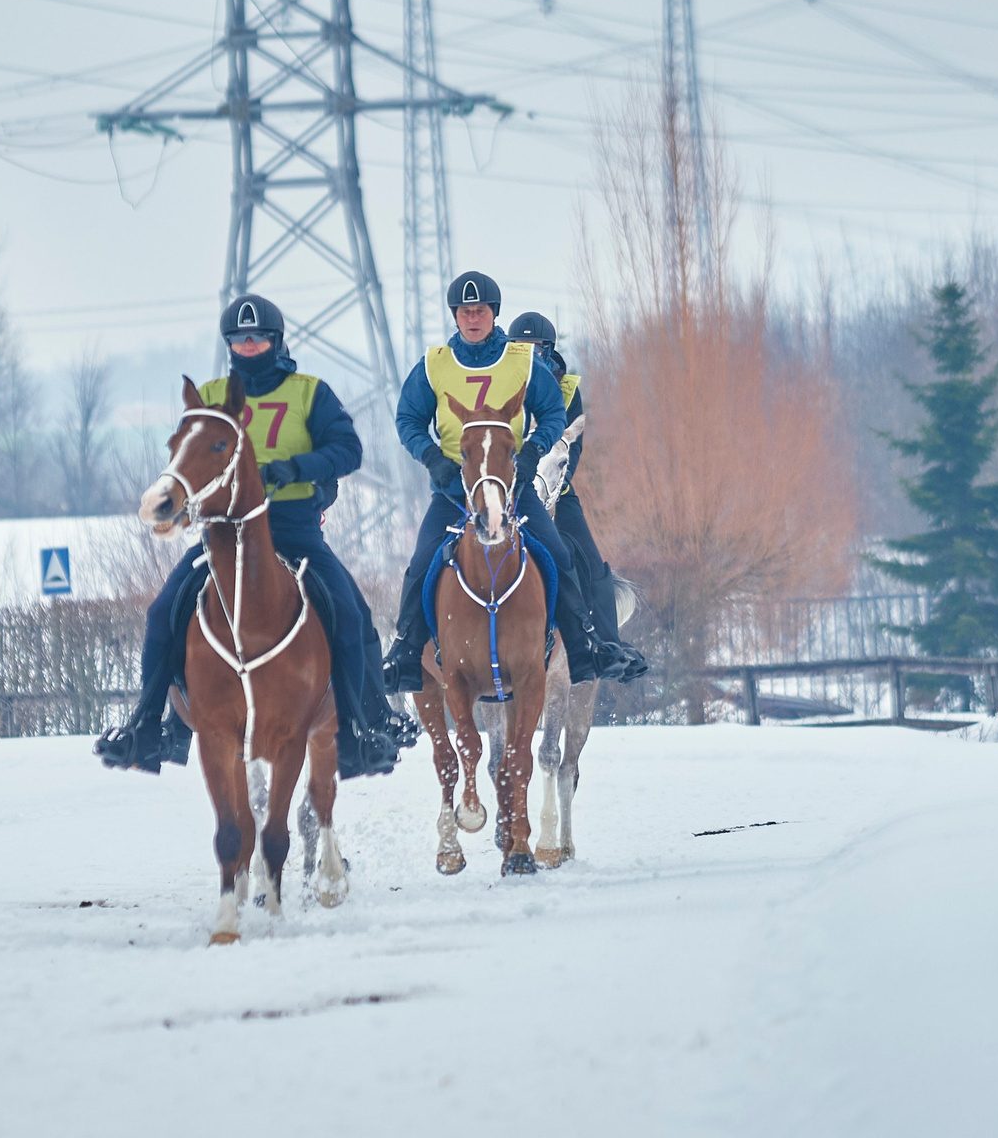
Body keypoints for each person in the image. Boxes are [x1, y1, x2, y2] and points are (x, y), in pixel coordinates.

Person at [95, 295, 405, 780]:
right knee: (163, 612)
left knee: (350, 611)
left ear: (276, 342)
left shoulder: (309, 393)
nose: (249, 345)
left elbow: (348, 450)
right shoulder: (213, 395)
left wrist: (294, 468)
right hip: (222, 537)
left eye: (258, 337)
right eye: (239, 339)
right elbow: (189, 459)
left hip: (294, 530)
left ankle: (366, 726)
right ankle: (150, 725)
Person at [380, 271, 617, 693]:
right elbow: (407, 419)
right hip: (454, 494)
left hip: (513, 492)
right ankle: (403, 654)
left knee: (557, 554)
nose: (473, 318)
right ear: (455, 316)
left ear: (494, 314)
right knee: (420, 563)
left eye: (481, 311)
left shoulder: (521, 361)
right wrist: (431, 456)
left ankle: (582, 648)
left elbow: (553, 414)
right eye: (466, 312)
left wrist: (531, 453)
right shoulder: (434, 365)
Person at [505, 310, 649, 684]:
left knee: (585, 557)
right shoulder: (497, 383)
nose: (529, 357)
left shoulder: (567, 389)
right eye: (520, 349)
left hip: (553, 489)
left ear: (549, 351)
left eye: (536, 349)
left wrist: (553, 481)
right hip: (502, 489)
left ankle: (607, 645)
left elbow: (574, 446)